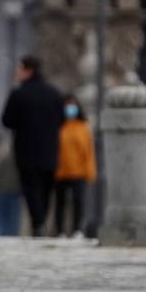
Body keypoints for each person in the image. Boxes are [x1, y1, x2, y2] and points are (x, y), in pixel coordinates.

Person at [1, 56, 63, 236]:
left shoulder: (19, 94)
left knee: (31, 187)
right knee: (45, 187)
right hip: (50, 150)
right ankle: (41, 219)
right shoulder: (54, 93)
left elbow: (7, 120)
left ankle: (38, 222)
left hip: (26, 150)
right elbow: (62, 119)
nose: (17, 73)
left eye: (20, 69)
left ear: (29, 71)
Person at [51, 95, 94, 237]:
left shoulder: (83, 127)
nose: (70, 109)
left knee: (78, 201)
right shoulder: (58, 126)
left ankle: (77, 229)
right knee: (60, 202)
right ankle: (60, 230)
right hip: (60, 171)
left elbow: (88, 151)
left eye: (73, 105)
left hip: (78, 171)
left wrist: (90, 171)